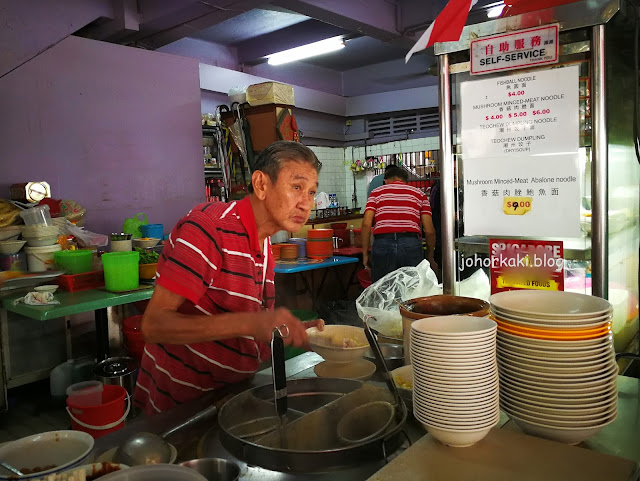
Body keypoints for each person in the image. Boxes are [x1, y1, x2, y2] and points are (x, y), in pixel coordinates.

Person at [133, 141, 324, 415]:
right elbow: (153, 325)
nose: (306, 203)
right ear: (260, 184)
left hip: (228, 398)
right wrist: (251, 322)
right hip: (181, 408)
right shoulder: (208, 227)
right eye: (296, 187)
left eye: (311, 192)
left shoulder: (264, 244)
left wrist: (293, 330)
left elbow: (247, 324)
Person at [361, 165, 437, 282]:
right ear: (405, 181)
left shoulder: (376, 193)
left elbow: (366, 224)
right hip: (411, 243)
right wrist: (430, 256)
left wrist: (365, 253)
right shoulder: (419, 194)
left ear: (385, 181)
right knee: (413, 290)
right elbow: (429, 230)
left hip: (383, 244)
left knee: (383, 290)